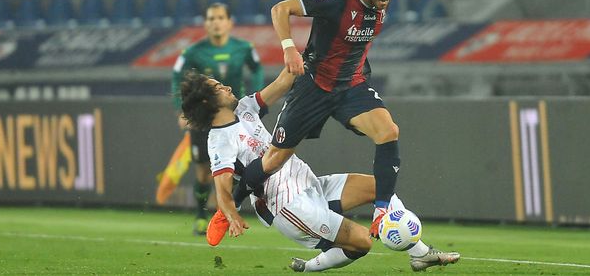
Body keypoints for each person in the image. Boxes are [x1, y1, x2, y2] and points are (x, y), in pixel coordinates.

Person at [179, 70, 461, 272]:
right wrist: (230, 214)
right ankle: (311, 267)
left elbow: (284, 80)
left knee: (379, 187)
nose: (226, 86)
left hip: (310, 182)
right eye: (217, 87)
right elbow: (223, 189)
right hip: (287, 204)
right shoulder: (218, 140)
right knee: (362, 242)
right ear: (207, 102)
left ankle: (419, 254)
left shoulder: (246, 107)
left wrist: (310, 56)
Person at [238, 0, 402, 236]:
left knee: (388, 131)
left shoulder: (380, 4)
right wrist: (289, 48)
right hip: (315, 85)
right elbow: (280, 9)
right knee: (275, 158)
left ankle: (382, 212)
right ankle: (230, 203)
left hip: (352, 85)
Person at [171, 2, 264, 235]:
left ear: (229, 22)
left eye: (220, 17)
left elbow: (257, 69)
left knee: (235, 167)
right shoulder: (193, 52)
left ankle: (224, 210)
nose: (216, 22)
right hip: (206, 119)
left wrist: (258, 96)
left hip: (236, 117)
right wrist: (180, 111)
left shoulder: (243, 47)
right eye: (211, 18)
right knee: (203, 171)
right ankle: (201, 215)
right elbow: (176, 77)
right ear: (205, 24)